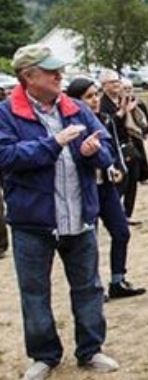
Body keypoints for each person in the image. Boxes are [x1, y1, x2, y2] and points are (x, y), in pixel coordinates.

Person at [0, 44, 120, 379]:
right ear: (28, 76)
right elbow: (6, 157)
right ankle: (43, 356)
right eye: (50, 70)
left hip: (80, 215)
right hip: (32, 222)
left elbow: (106, 149)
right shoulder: (6, 114)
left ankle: (91, 349)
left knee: (89, 287)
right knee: (35, 292)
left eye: (58, 69)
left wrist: (93, 151)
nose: (58, 75)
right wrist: (54, 143)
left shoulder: (76, 108)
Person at [65, 77, 147, 299]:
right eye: (88, 96)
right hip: (85, 189)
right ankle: (94, 285)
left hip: (106, 187)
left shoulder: (104, 120)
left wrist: (116, 167)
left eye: (95, 95)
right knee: (89, 241)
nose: (95, 100)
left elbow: (114, 149)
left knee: (121, 231)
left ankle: (117, 280)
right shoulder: (68, 126)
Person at [99, 70, 146, 223]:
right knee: (119, 182)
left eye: (117, 82)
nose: (116, 85)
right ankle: (114, 213)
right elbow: (105, 126)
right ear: (104, 85)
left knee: (133, 180)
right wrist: (121, 113)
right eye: (112, 82)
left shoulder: (124, 100)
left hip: (131, 145)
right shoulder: (101, 104)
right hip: (114, 146)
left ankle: (127, 213)